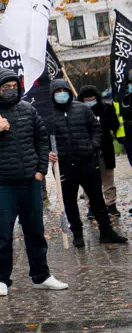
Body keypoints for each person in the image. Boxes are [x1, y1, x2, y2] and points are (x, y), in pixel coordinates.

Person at [0, 69, 67, 296]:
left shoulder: (28, 110)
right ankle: (0, 279)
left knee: (35, 232)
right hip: (0, 185)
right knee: (2, 235)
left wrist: (40, 171)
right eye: (6, 87)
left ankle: (41, 275)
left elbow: (41, 140)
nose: (11, 90)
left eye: (14, 86)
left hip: (29, 183)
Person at [51, 80, 126, 247]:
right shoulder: (47, 114)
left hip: (87, 162)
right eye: (58, 91)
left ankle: (106, 232)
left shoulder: (82, 109)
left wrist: (93, 146)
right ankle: (77, 234)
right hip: (64, 165)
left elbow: (96, 129)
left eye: (64, 90)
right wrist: (49, 152)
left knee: (97, 199)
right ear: (52, 93)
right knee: (69, 201)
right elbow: (41, 138)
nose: (62, 94)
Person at [82, 86, 120, 216]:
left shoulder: (106, 109)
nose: (89, 101)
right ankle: (91, 207)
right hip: (87, 151)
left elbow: (114, 125)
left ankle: (111, 205)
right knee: (88, 181)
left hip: (105, 149)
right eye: (86, 99)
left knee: (108, 178)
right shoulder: (78, 111)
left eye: (91, 99)